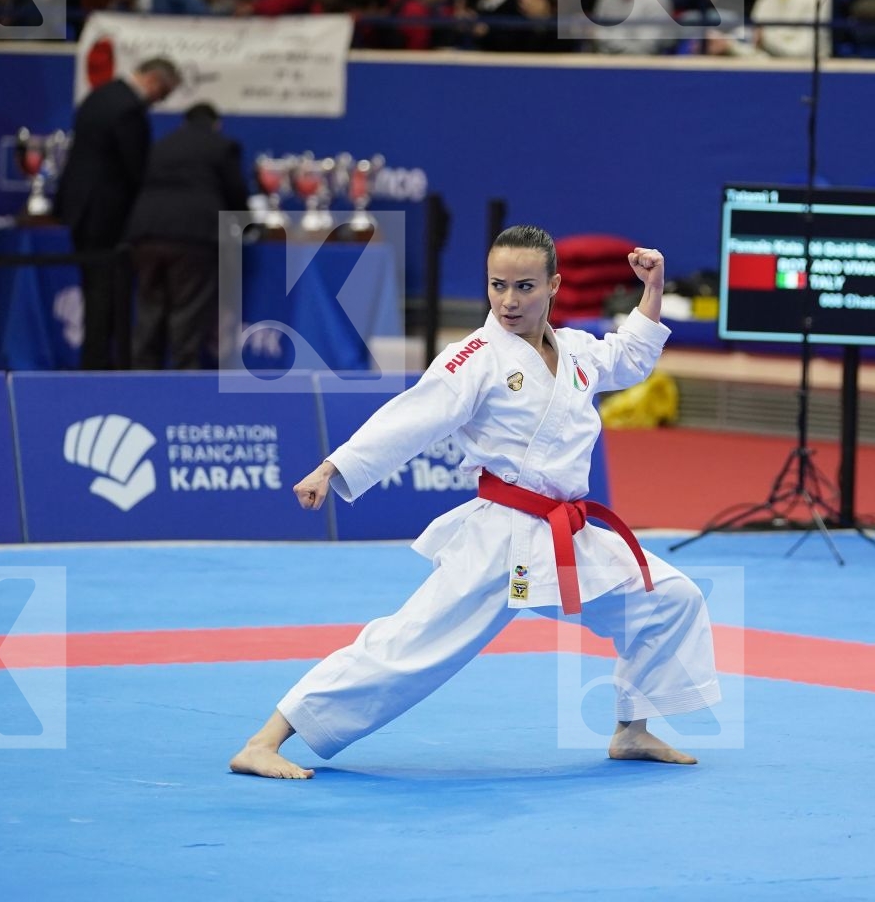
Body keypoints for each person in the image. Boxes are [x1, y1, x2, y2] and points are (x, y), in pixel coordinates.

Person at [229, 228, 719, 779]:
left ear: (554, 286)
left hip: (566, 533)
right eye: (497, 285)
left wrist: (651, 287)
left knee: (670, 598)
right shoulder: (475, 358)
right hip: (501, 537)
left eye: (525, 286)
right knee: (409, 645)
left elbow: (630, 357)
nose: (509, 300)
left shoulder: (579, 352)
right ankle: (263, 741)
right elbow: (411, 418)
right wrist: (332, 467)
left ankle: (633, 730)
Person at [56, 57, 181, 370]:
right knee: (105, 292)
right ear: (153, 80)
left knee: (95, 287)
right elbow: (135, 166)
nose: (160, 101)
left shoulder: (101, 95)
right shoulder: (128, 109)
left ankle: (97, 360)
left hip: (80, 208)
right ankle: (100, 364)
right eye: (163, 93)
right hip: (106, 213)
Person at [125, 102, 248, 370]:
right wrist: (249, 226)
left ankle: (140, 381)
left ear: (184, 122)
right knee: (188, 312)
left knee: (148, 310)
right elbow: (236, 193)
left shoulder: (160, 146)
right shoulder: (221, 146)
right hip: (193, 238)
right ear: (217, 124)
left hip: (146, 235)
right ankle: (184, 381)